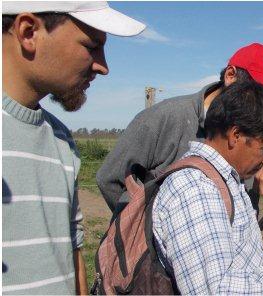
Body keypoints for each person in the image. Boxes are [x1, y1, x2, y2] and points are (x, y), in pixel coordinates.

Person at [2, 2, 144, 294]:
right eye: (92, 46)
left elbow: (73, 246)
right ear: (29, 32)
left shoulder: (61, 139)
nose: (103, 67)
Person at [96, 42, 263, 216]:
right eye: (258, 91)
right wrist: (147, 231)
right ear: (230, 75)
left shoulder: (259, 122)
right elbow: (111, 179)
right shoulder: (166, 117)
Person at [152, 81, 263, 294]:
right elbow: (212, 291)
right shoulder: (196, 190)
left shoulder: (225, 179)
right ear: (235, 135)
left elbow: (230, 260)